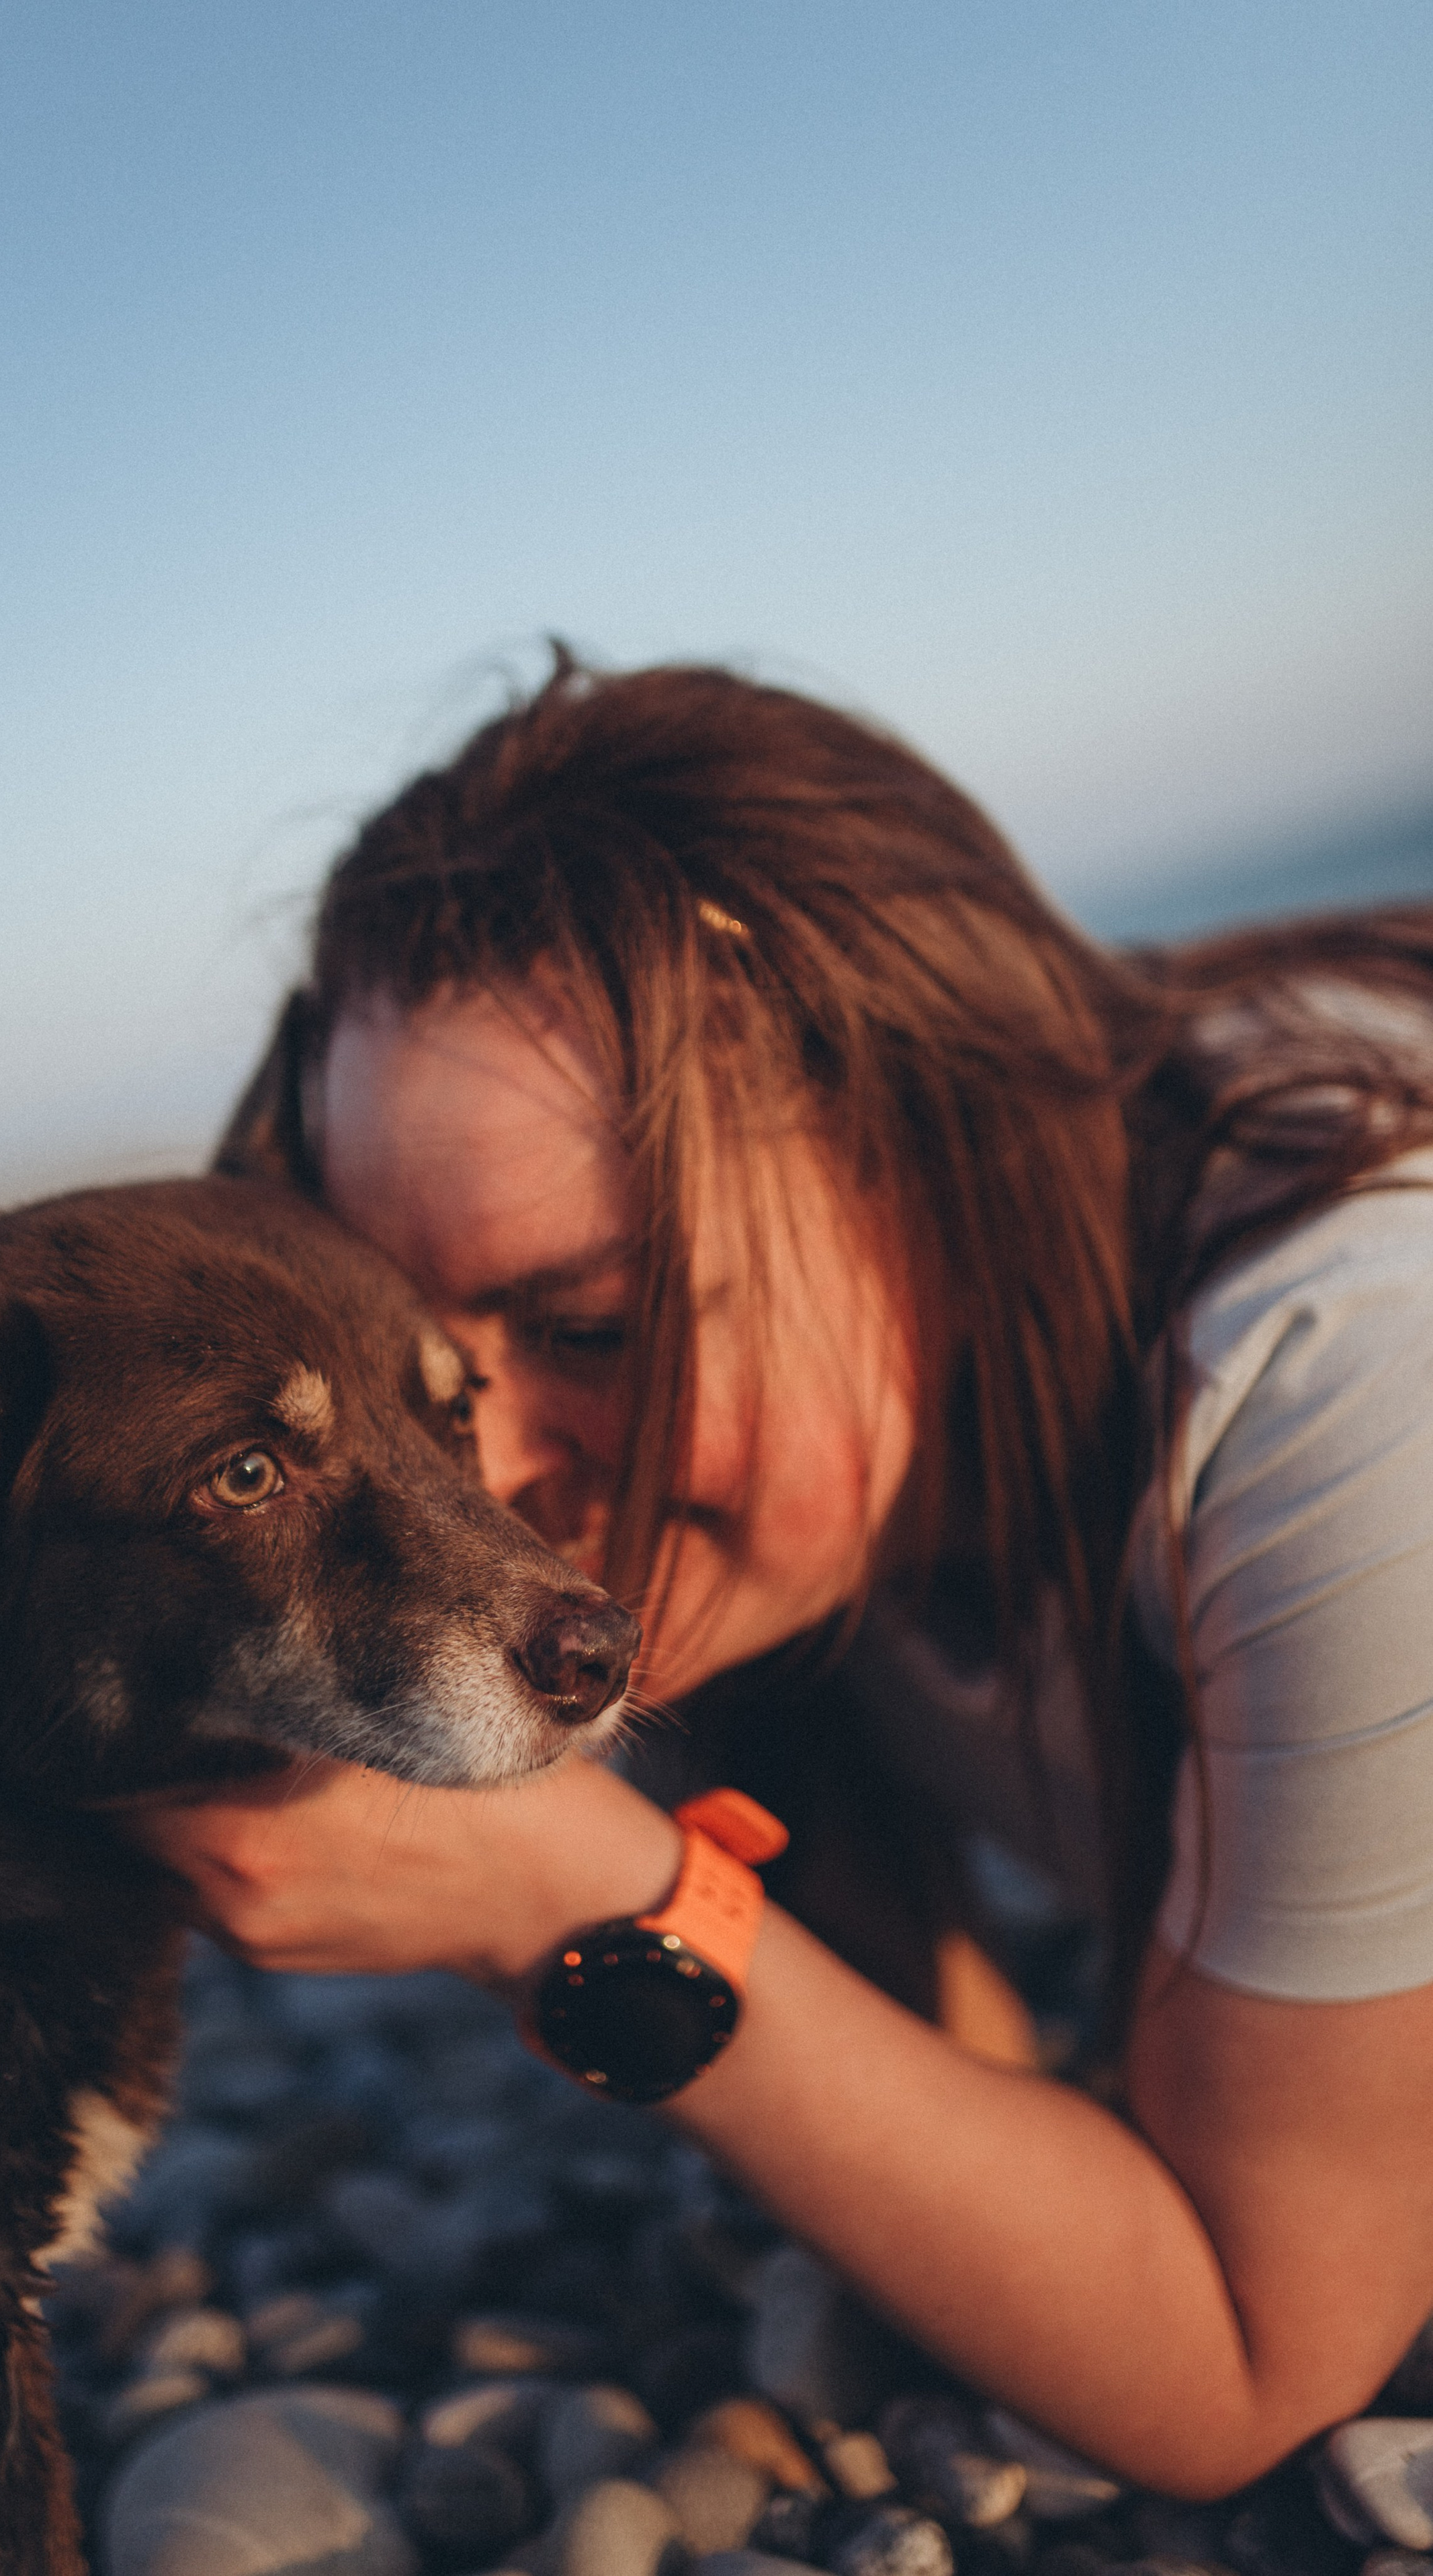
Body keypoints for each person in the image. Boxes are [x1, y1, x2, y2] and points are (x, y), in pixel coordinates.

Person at [134, 652, 1433, 2497]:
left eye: (589, 1320)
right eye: (431, 1369)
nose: (484, 1474)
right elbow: (996, 2112)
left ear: (937, 1147)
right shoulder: (836, 1469)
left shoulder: (1349, 1379)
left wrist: (580, 1896)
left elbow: (1252, 2361)